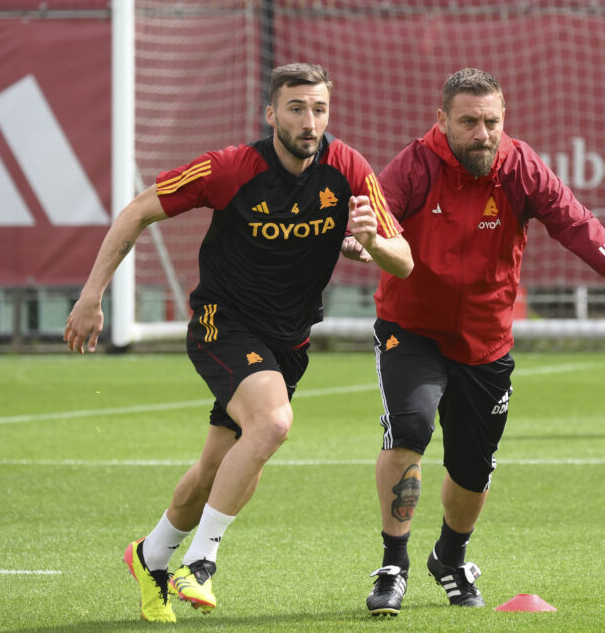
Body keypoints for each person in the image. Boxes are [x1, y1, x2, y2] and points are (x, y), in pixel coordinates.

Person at [64, 63, 413, 623]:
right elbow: (137, 210)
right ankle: (200, 563)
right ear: (271, 114)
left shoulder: (347, 168)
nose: (309, 120)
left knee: (218, 471)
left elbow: (406, 260)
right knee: (273, 424)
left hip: (289, 340)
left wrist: (371, 243)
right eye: (296, 108)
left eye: (319, 108)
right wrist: (91, 295)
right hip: (220, 323)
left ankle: (151, 555)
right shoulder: (230, 168)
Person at [341, 68, 605, 617]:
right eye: (469, 122)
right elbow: (375, 227)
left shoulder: (519, 166)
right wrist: (361, 247)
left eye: (492, 122)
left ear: (505, 120)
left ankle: (450, 558)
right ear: (442, 121)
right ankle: (393, 565)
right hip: (412, 329)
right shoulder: (414, 165)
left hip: (486, 340)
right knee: (410, 428)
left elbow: (577, 223)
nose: (482, 133)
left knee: (473, 467)